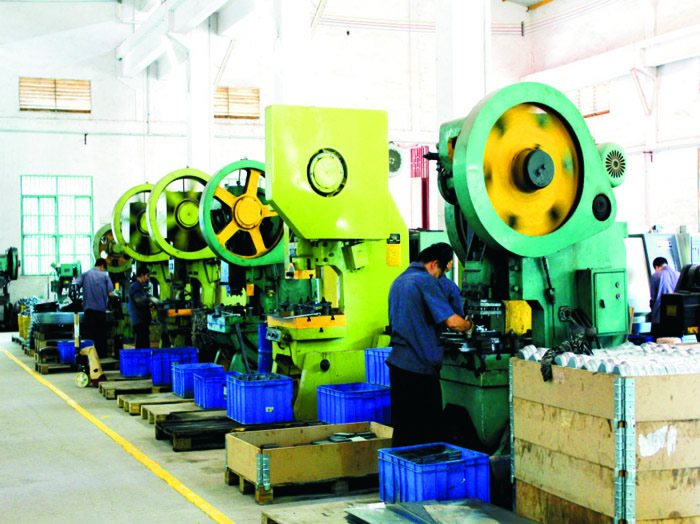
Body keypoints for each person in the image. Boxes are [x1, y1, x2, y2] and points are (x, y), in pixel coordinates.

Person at [387, 242, 472, 448]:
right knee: (428, 434)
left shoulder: (399, 281)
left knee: (404, 431)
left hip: (398, 367)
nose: (439, 278)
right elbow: (452, 322)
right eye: (441, 273)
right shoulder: (425, 281)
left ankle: (404, 468)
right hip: (419, 371)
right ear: (434, 264)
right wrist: (470, 326)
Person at [75, 258, 114, 358]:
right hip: (101, 311)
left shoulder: (85, 274)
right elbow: (110, 293)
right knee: (101, 335)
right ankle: (101, 356)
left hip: (88, 311)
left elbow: (75, 285)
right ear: (102, 266)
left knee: (89, 335)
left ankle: (89, 356)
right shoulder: (105, 276)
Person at [649, 256, 680, 341]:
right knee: (675, 341)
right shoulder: (678, 274)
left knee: (659, 341)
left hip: (660, 315)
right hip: (675, 314)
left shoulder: (656, 276)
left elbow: (653, 296)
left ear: (656, 267)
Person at [129, 265, 154, 349]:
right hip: (140, 322)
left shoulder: (138, 286)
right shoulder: (136, 286)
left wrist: (148, 305)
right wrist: (150, 299)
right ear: (142, 275)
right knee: (142, 346)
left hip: (141, 321)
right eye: (147, 275)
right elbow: (139, 300)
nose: (147, 278)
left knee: (142, 344)